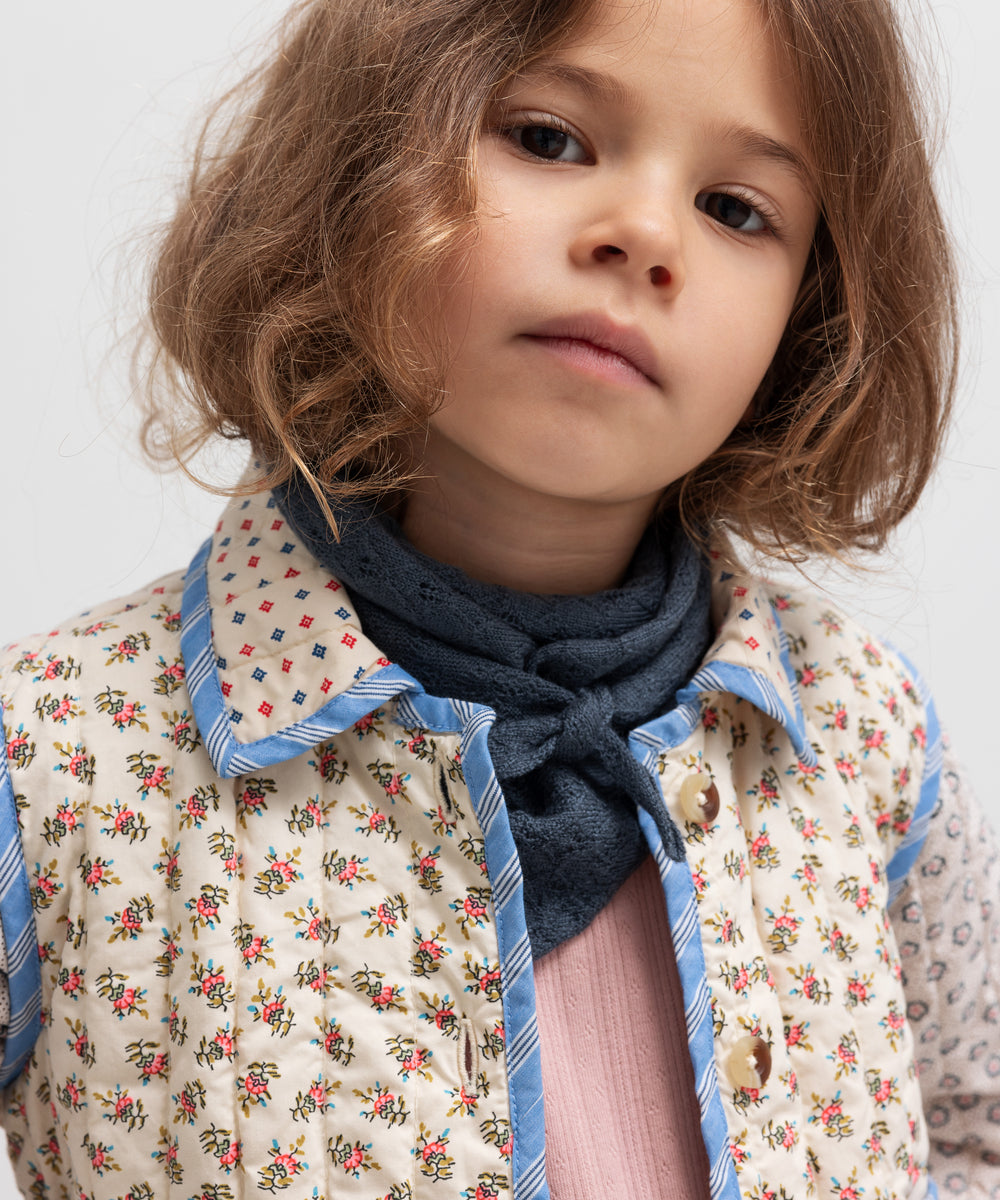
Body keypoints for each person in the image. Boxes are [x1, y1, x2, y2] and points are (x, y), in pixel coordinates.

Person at [0, 0, 996, 1196]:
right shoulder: (59, 757)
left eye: (736, 209)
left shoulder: (867, 741)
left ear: (812, 318)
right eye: (548, 138)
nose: (643, 235)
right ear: (358, 158)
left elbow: (973, 1130)